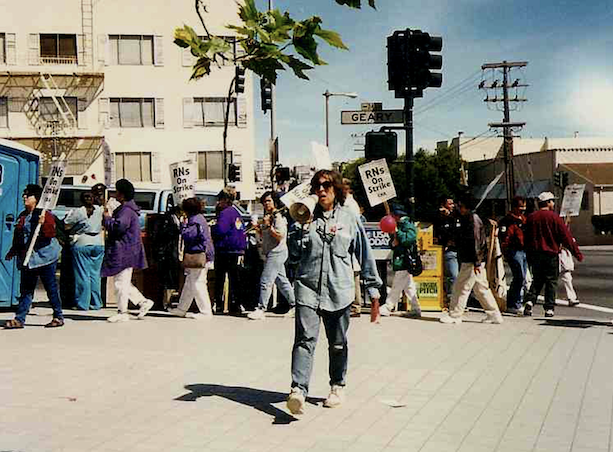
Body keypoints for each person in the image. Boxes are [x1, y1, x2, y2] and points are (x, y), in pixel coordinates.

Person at [286, 170, 382, 416]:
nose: (321, 190)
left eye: (326, 185)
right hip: (307, 289)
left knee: (337, 343)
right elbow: (294, 257)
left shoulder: (350, 218)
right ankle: (298, 390)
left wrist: (373, 290)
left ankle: (337, 385)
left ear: (336, 188)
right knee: (304, 340)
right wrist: (299, 231)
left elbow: (364, 253)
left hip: (339, 291)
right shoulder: (304, 217)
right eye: (317, 185)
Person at [4, 184, 64, 329]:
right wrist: (13, 251)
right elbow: (19, 236)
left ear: (36, 199)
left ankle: (58, 316)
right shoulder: (23, 216)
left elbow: (49, 235)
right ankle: (19, 319)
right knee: (26, 290)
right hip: (28, 258)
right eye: (24, 194)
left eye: (28, 195)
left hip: (45, 257)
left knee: (51, 288)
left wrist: (43, 224)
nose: (24, 197)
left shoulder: (46, 215)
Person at [440, 195, 503, 325]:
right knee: (481, 288)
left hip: (471, 260)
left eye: (460, 206)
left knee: (461, 287)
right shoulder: (470, 217)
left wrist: (476, 262)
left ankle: (455, 315)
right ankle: (494, 314)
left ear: (467, 207)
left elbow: (475, 242)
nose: (458, 208)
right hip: (475, 259)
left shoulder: (472, 219)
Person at [102, 179, 154, 323]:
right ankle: (143, 302)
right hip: (128, 249)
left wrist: (107, 218)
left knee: (120, 283)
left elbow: (119, 227)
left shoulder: (125, 211)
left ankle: (122, 311)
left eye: (117, 191)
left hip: (123, 249)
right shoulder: (129, 209)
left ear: (122, 194)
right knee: (123, 281)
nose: (115, 194)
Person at [523, 191, 583, 317]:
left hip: (536, 254)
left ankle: (529, 301)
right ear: (548, 203)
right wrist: (576, 253)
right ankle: (549, 308)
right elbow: (566, 237)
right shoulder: (554, 218)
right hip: (551, 253)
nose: (554, 203)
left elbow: (526, 238)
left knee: (537, 279)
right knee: (551, 281)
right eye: (552, 201)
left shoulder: (531, 218)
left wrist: (528, 255)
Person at [247, 191, 295, 320]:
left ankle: (261, 308)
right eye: (264, 201)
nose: (266, 203)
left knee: (266, 280)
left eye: (269, 200)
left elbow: (280, 236)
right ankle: (295, 304)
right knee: (282, 281)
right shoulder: (268, 215)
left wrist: (269, 226)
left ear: (274, 201)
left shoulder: (278, 217)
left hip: (277, 252)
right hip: (270, 251)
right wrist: (258, 228)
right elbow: (264, 235)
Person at [168, 197, 215, 319]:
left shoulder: (194, 221)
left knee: (197, 283)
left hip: (198, 254)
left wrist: (182, 225)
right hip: (203, 253)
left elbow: (188, 235)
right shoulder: (200, 219)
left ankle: (205, 312)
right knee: (190, 283)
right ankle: (181, 308)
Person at [63, 191, 105, 311]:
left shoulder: (78, 211)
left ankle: (83, 303)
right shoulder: (99, 210)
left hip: (82, 242)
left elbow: (66, 224)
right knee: (95, 275)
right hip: (98, 243)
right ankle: (96, 303)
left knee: (82, 274)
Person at [379, 205, 421, 318]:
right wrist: (392, 242)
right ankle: (416, 308)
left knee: (397, 284)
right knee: (408, 286)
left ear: (398, 216)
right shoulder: (398, 226)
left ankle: (388, 306)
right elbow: (394, 242)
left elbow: (408, 240)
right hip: (401, 259)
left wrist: (398, 233)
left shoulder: (408, 226)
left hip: (405, 260)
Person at [211, 188, 247, 315]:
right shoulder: (236, 212)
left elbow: (221, 230)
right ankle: (236, 304)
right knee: (235, 279)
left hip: (226, 249)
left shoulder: (225, 213)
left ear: (225, 200)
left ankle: (219, 304)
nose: (218, 202)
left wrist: (213, 229)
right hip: (237, 249)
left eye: (220, 199)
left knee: (220, 278)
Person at [498, 196, 527, 315]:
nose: (522, 210)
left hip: (524, 250)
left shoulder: (524, 219)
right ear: (514, 207)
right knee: (519, 276)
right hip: (514, 251)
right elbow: (504, 237)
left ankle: (516, 301)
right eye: (520, 208)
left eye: (524, 208)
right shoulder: (508, 220)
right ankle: (513, 303)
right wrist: (506, 251)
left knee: (523, 277)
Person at [433, 196, 459, 310]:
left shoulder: (456, 216)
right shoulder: (439, 218)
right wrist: (441, 214)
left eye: (453, 204)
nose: (452, 206)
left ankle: (459, 299)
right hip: (448, 250)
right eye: (449, 204)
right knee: (453, 276)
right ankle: (451, 299)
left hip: (459, 250)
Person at [343, 178, 364, 318]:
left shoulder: (350, 204)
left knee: (354, 277)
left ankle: (356, 306)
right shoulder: (345, 202)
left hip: (350, 243)